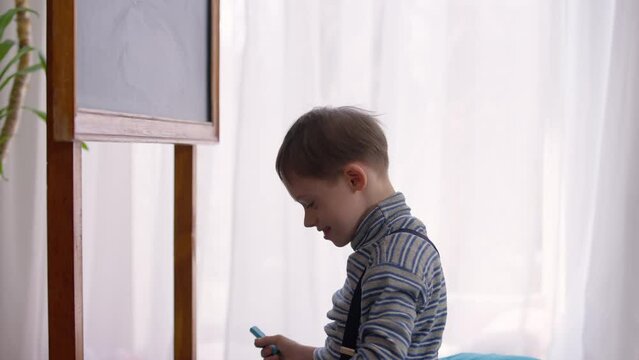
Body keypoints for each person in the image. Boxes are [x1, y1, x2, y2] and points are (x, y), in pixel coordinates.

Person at [255, 106, 447, 359]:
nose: (308, 221)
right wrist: (301, 355)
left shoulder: (393, 259)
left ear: (354, 179)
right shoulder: (387, 247)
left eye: (310, 203)